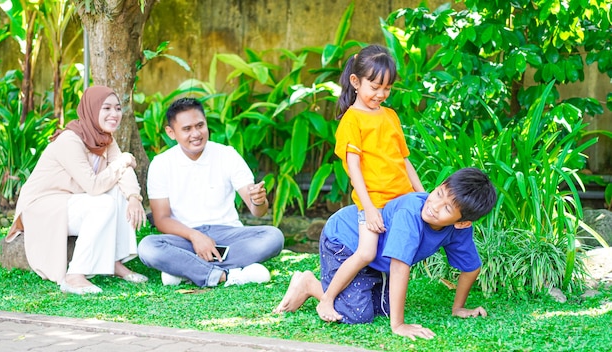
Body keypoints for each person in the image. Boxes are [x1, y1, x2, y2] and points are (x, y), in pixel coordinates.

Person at [273, 167, 497, 340]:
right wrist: (398, 325)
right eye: (438, 193)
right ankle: (309, 284)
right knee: (357, 315)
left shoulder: (460, 230)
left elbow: (471, 267)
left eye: (447, 208)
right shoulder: (411, 212)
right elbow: (399, 267)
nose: (435, 206)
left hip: (374, 261)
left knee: (385, 308)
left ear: (462, 222)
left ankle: (339, 287)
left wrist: (458, 308)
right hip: (344, 241)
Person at [5, 85, 148, 294]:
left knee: (119, 192)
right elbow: (94, 185)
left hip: (73, 202)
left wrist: (134, 197)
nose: (114, 114)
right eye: (106, 108)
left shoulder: (105, 139)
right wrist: (124, 160)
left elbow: (123, 172)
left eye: (117, 108)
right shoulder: (70, 140)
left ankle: (114, 262)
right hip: (43, 206)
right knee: (103, 202)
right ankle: (74, 275)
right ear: (91, 109)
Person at [322, 44, 425, 321]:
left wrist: (422, 195)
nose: (381, 94)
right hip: (374, 201)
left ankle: (380, 296)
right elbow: (353, 169)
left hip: (401, 200)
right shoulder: (352, 120)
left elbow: (404, 160)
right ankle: (327, 299)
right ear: (355, 82)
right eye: (375, 86)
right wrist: (368, 208)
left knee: (398, 252)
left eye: (387, 88)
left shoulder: (390, 116)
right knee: (367, 252)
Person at [137, 97, 284, 287]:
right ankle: (227, 275)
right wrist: (195, 236)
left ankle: (187, 271)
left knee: (274, 237)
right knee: (148, 247)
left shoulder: (227, 155)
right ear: (171, 133)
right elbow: (162, 219)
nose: (196, 133)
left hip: (228, 235)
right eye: (187, 129)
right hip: (185, 239)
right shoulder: (161, 164)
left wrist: (258, 201)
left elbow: (258, 211)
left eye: (200, 125)